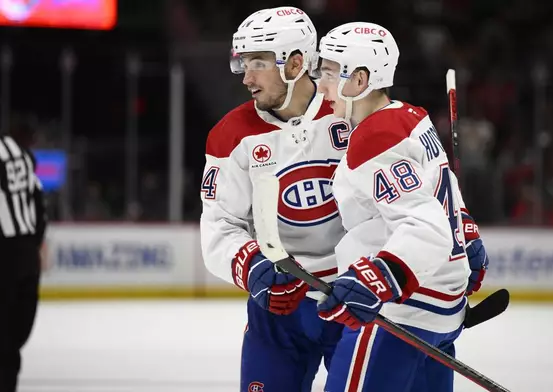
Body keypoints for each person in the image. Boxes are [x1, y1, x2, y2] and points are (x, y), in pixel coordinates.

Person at [313, 22, 489, 391]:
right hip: (443, 311)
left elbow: (424, 226)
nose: (320, 84)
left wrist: (378, 279)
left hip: (401, 316)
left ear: (359, 80)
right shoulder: (411, 117)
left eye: (328, 72)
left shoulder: (374, 137)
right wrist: (467, 234)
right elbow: (440, 191)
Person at [199, 6, 351, 392]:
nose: (246, 78)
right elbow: (219, 225)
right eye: (243, 63)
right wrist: (253, 268)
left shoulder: (352, 114)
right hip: (279, 307)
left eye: (258, 63)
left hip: (353, 300)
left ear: (296, 63)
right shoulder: (230, 135)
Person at [0, 120, 47, 392]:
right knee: (12, 343)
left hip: (6, 257)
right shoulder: (26, 160)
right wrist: (33, 247)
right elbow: (40, 210)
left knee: (5, 341)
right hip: (28, 257)